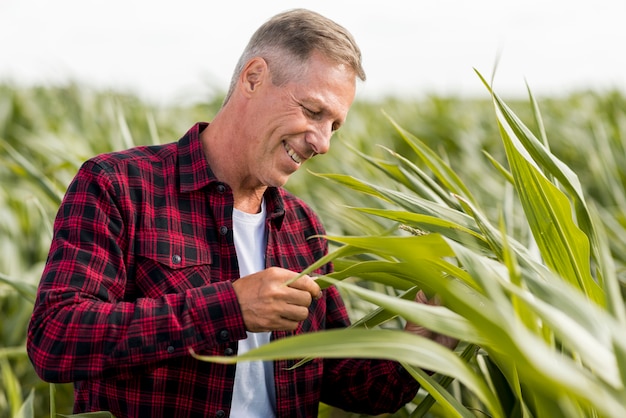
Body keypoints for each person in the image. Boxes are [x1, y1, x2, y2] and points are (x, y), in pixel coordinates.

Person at [27, 8, 456, 418]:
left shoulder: (303, 228)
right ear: (254, 78)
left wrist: (419, 344)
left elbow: (349, 382)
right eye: (313, 111)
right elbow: (56, 338)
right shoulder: (118, 185)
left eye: (334, 126)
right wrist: (230, 307)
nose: (323, 143)